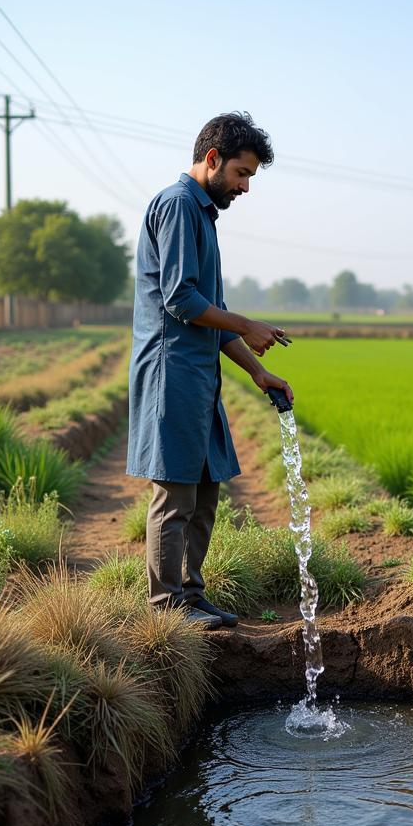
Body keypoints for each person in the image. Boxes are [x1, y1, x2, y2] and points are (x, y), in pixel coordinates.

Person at [127, 111, 293, 629]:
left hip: (199, 376)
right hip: (170, 372)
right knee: (175, 494)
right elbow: (180, 300)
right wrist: (247, 323)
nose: (245, 187)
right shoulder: (178, 206)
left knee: (204, 491)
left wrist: (255, 372)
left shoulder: (202, 216)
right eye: (242, 174)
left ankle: (192, 596)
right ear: (213, 159)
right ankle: (166, 607)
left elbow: (210, 314)